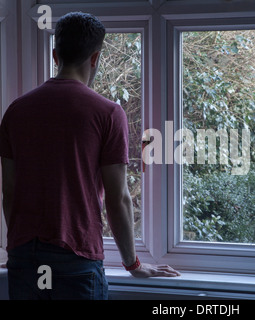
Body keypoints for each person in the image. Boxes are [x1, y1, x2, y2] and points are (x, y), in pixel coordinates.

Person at [0, 12, 180, 300]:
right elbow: (117, 197)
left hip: (25, 259)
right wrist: (133, 264)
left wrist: (22, 245)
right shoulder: (107, 113)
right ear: (95, 58)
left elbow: (9, 192)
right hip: (75, 258)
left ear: (55, 55)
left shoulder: (16, 111)